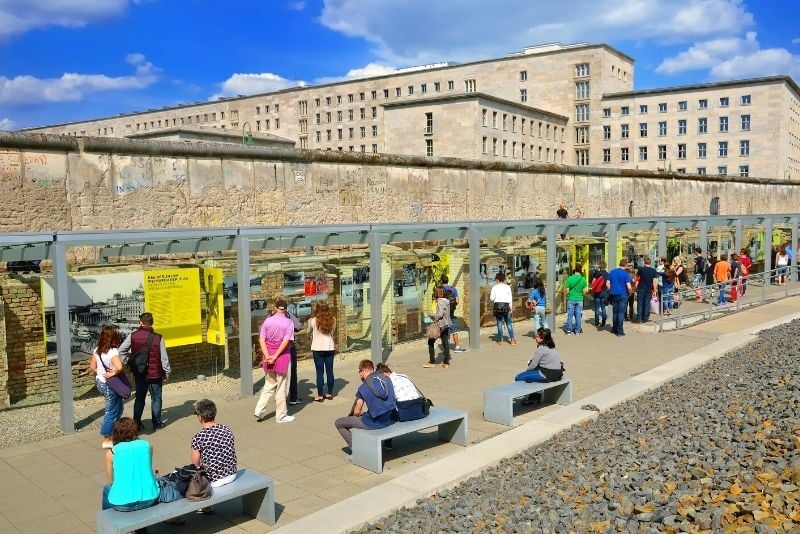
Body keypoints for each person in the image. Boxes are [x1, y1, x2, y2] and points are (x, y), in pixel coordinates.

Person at [334, 359, 397, 461]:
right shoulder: (386, 379)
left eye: (359, 372)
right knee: (366, 414)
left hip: (375, 423)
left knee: (339, 423)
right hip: (388, 419)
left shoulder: (363, 387)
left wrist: (354, 418)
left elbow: (357, 411)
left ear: (362, 371)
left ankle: (356, 451)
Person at [119, 312, 171, 432]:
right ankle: (157, 423)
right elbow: (164, 357)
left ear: (140, 322)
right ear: (152, 323)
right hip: (156, 373)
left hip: (140, 372)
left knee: (139, 398)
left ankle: (136, 424)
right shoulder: (159, 337)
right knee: (156, 398)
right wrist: (167, 371)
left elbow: (121, 351)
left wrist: (128, 361)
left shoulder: (132, 336)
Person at [101, 417, 159, 512]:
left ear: (116, 433)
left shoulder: (111, 452)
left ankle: (107, 518)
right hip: (150, 498)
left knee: (107, 488)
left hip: (122, 504)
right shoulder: (147, 445)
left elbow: (111, 481)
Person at [254, 298, 295, 423]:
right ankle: (281, 415)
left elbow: (261, 339)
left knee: (269, 384)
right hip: (282, 357)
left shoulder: (267, 321)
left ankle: (259, 411)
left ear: (276, 308)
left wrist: (268, 356)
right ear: (286, 308)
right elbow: (285, 341)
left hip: (268, 355)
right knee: (281, 387)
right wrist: (276, 355)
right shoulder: (289, 323)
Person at [90, 325, 125, 449]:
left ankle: (115, 433)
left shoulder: (97, 350)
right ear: (113, 336)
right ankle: (106, 438)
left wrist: (101, 374)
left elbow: (92, 366)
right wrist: (112, 373)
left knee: (118, 408)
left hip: (101, 383)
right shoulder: (113, 352)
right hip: (110, 384)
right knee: (111, 411)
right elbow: (119, 367)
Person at [191, 399, 237, 489]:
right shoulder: (226, 429)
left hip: (213, 480)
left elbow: (195, 464)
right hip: (232, 474)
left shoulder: (199, 437)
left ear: (200, 417)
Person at [514, 328, 564, 404]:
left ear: (542, 338)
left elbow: (533, 364)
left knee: (519, 377)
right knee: (531, 376)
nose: (535, 338)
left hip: (548, 374)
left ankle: (533, 397)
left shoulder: (541, 348)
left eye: (536, 336)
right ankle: (534, 396)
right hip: (557, 373)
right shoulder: (551, 345)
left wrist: (527, 371)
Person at [308, 302, 336, 402]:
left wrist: (312, 337)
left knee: (319, 373)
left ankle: (320, 395)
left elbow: (309, 332)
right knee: (330, 371)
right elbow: (333, 332)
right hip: (329, 347)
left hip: (317, 348)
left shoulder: (312, 321)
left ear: (317, 309)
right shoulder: (333, 320)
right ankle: (329, 393)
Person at [425, 286, 452, 368]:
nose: (434, 293)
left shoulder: (440, 302)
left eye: (435, 292)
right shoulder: (447, 301)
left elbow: (440, 314)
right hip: (446, 324)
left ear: (438, 293)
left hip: (440, 325)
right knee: (445, 343)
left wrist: (431, 315)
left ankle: (432, 362)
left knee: (430, 342)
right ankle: (446, 362)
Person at [606, 259, 632, 337]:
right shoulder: (626, 274)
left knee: (615, 312)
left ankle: (614, 329)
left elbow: (607, 284)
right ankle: (620, 331)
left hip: (613, 294)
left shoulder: (612, 272)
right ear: (625, 265)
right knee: (621, 313)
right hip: (623, 294)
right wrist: (630, 293)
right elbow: (629, 286)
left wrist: (611, 289)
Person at [490, 272, 517, 345]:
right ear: (503, 279)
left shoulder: (494, 287)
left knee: (499, 323)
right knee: (508, 323)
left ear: (498, 279)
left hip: (497, 306)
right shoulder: (507, 287)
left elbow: (491, 298)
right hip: (506, 306)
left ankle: (500, 340)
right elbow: (510, 298)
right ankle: (512, 340)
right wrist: (510, 307)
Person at [440, 275, 465, 352]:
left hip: (442, 313)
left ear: (441, 281)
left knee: (444, 329)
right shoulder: (453, 289)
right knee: (454, 329)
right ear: (448, 281)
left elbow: (438, 301)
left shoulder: (439, 289)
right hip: (451, 312)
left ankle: (445, 347)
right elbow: (457, 301)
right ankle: (457, 347)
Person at [286, 308, 303, 406]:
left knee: (278, 376)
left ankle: (280, 399)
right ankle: (293, 398)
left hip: (274, 350)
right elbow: (298, 327)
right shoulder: (288, 315)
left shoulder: (270, 317)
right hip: (289, 348)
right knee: (292, 374)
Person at [563, 266, 587, 335]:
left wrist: (568, 296)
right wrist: (581, 295)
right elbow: (584, 291)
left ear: (575, 270)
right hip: (580, 299)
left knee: (570, 315)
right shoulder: (583, 279)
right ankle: (578, 330)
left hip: (571, 299)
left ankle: (569, 330)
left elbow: (567, 290)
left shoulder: (569, 278)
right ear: (580, 271)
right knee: (578, 315)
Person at [635, 257, 659, 323]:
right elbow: (655, 281)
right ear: (650, 263)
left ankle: (639, 318)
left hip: (641, 288)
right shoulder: (653, 271)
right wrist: (655, 290)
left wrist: (635, 287)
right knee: (647, 303)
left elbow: (637, 279)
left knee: (640, 303)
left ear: (644, 262)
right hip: (649, 289)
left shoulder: (640, 269)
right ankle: (645, 318)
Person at [590, 261, 608, 328]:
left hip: (597, 292)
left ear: (599, 266)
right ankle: (603, 322)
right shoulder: (607, 274)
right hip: (604, 292)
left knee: (597, 308)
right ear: (605, 266)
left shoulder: (597, 273)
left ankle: (596, 322)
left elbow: (593, 282)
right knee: (603, 308)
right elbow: (608, 284)